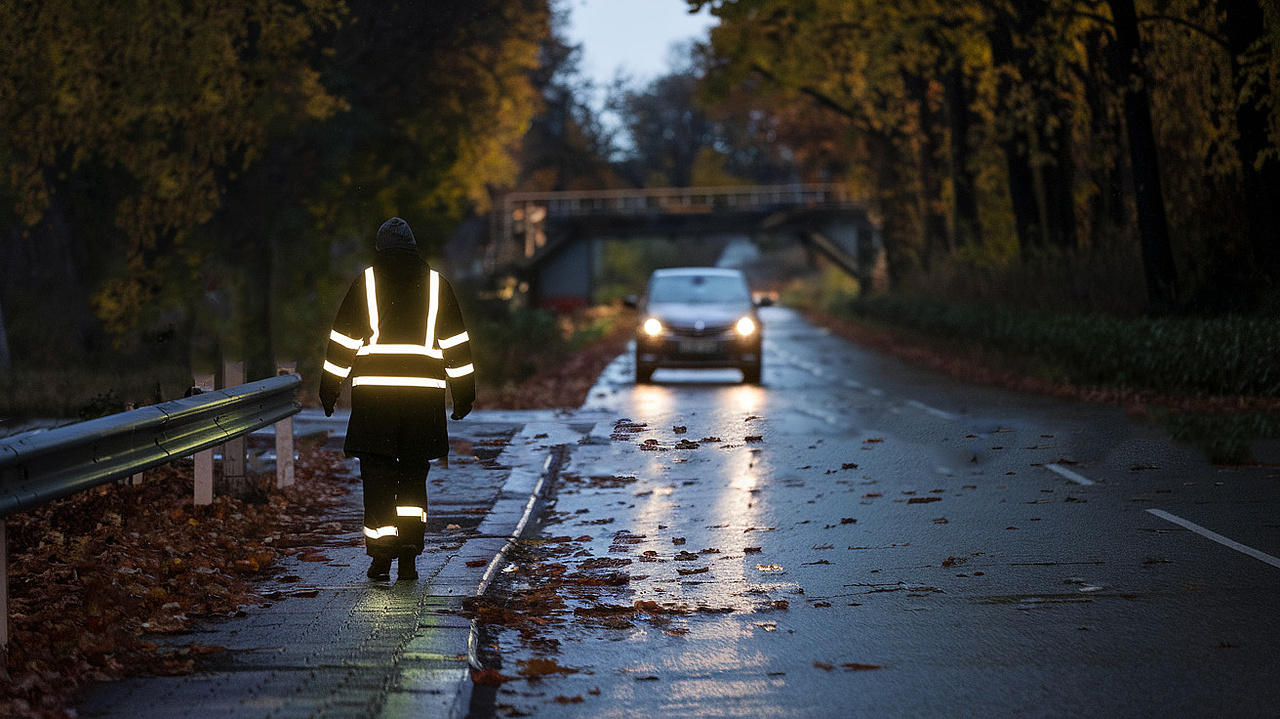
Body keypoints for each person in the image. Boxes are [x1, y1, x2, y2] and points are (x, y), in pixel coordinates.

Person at [319, 217, 475, 581]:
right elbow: (457, 347)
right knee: (413, 479)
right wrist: (464, 395)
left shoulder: (367, 284)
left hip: (375, 405)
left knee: (377, 479)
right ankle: (409, 554)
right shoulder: (438, 286)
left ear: (380, 249)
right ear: (413, 247)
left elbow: (342, 343)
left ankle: (380, 557)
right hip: (423, 406)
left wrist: (329, 389)